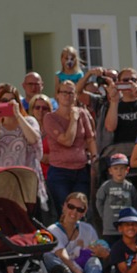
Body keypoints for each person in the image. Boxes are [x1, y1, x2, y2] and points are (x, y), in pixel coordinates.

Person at [44, 192, 110, 273]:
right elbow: (61, 254)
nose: (74, 212)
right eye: (71, 207)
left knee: (94, 260)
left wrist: (102, 252)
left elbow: (94, 251)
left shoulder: (88, 229)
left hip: (83, 270)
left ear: (83, 213)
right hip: (64, 271)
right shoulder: (53, 230)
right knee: (49, 257)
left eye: (79, 209)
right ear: (64, 206)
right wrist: (77, 271)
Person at [42, 80, 97, 216]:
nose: (67, 96)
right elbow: (67, 141)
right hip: (60, 172)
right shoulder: (50, 118)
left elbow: (90, 138)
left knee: (81, 210)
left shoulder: (82, 113)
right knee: (65, 212)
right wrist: (73, 119)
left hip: (81, 170)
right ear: (58, 95)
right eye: (64, 92)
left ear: (75, 96)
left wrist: (95, 158)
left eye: (71, 93)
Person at [96, 153, 137, 244]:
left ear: (127, 170)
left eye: (122, 168)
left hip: (126, 228)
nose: (119, 171)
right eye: (115, 168)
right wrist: (104, 216)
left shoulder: (130, 187)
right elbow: (99, 201)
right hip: (109, 228)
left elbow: (135, 202)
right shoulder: (106, 186)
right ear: (110, 171)